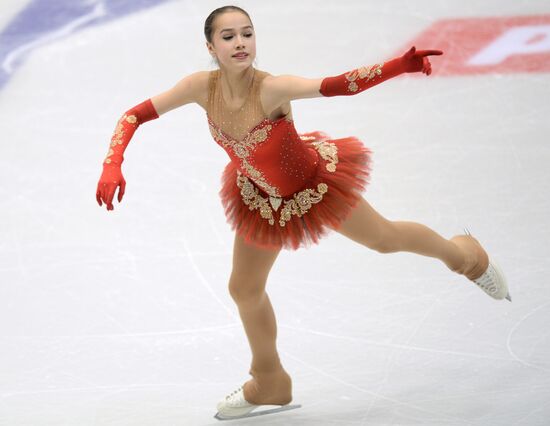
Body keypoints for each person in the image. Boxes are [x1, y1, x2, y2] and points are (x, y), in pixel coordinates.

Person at [95, 5, 511, 421]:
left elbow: (336, 86)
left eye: (247, 33)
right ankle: (270, 381)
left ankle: (466, 256)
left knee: (385, 239)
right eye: (228, 37)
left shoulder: (272, 88)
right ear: (211, 46)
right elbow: (133, 114)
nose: (240, 43)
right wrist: (112, 163)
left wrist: (398, 66)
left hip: (312, 188)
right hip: (260, 198)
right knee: (244, 288)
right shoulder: (199, 88)